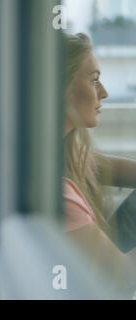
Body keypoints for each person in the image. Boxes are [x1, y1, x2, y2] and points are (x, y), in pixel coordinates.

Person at [62, 32, 136, 295]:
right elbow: (122, 277)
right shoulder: (59, 192)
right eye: (94, 80)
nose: (103, 92)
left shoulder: (58, 156)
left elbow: (103, 166)